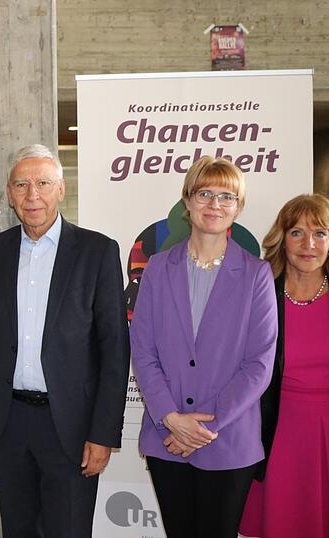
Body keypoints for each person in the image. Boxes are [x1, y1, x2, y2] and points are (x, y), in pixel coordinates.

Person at [0, 144, 130, 537]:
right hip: (9, 422)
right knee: (17, 530)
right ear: (9, 194)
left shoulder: (97, 251)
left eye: (42, 183)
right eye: (21, 184)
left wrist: (102, 433)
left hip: (71, 426)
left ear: (61, 190)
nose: (31, 194)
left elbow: (114, 351)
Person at [129, 156, 278, 538]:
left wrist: (204, 428)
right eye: (205, 193)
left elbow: (259, 364)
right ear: (187, 202)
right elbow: (143, 351)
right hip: (168, 437)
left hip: (228, 441)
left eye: (227, 196)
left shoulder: (256, 275)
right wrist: (171, 418)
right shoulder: (158, 269)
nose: (215, 204)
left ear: (238, 208)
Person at [239, 194, 329, 537]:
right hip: (280, 430)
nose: (308, 244)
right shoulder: (262, 290)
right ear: (282, 239)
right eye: (297, 233)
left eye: (320, 233)